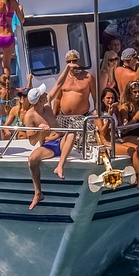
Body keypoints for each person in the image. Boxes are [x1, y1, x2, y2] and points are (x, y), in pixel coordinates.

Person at [50, 50, 95, 178]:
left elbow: (95, 98)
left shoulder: (88, 77)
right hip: (63, 117)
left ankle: (62, 165)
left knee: (76, 138)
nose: (71, 64)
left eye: (74, 61)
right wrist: (53, 117)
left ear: (79, 61)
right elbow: (57, 99)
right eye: (69, 62)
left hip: (82, 117)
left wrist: (97, 113)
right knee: (55, 137)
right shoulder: (63, 79)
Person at [23, 84, 65, 209]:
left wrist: (68, 68)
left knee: (72, 134)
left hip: (61, 140)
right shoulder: (29, 116)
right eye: (43, 93)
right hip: (49, 145)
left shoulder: (47, 107)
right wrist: (40, 131)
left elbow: (58, 84)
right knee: (31, 160)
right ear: (40, 100)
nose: (46, 93)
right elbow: (31, 141)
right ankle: (38, 192)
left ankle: (60, 167)